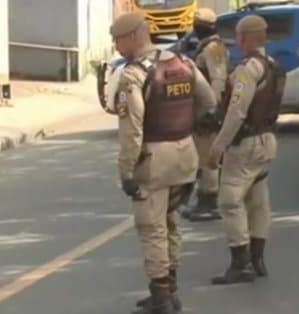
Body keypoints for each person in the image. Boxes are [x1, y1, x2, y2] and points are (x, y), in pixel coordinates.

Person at [110, 12, 217, 314]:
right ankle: (169, 290)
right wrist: (186, 128)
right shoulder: (183, 63)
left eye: (118, 40)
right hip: (185, 155)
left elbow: (132, 130)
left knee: (152, 228)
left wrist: (126, 171)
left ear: (134, 36)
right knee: (171, 223)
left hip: (154, 160)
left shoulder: (133, 75)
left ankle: (161, 300)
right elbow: (209, 103)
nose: (116, 46)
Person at [207, 14, 286, 285]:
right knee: (258, 199)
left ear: (245, 38)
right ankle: (258, 258)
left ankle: (240, 263)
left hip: (246, 143)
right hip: (267, 140)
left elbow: (236, 112)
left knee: (230, 201)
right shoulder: (274, 66)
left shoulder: (246, 70)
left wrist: (218, 146)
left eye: (239, 36)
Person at [181, 7, 229, 222]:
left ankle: (209, 200)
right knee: (201, 157)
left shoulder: (214, 49)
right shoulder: (204, 47)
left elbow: (218, 78)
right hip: (199, 111)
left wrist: (212, 110)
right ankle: (204, 198)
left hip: (208, 112)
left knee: (208, 157)